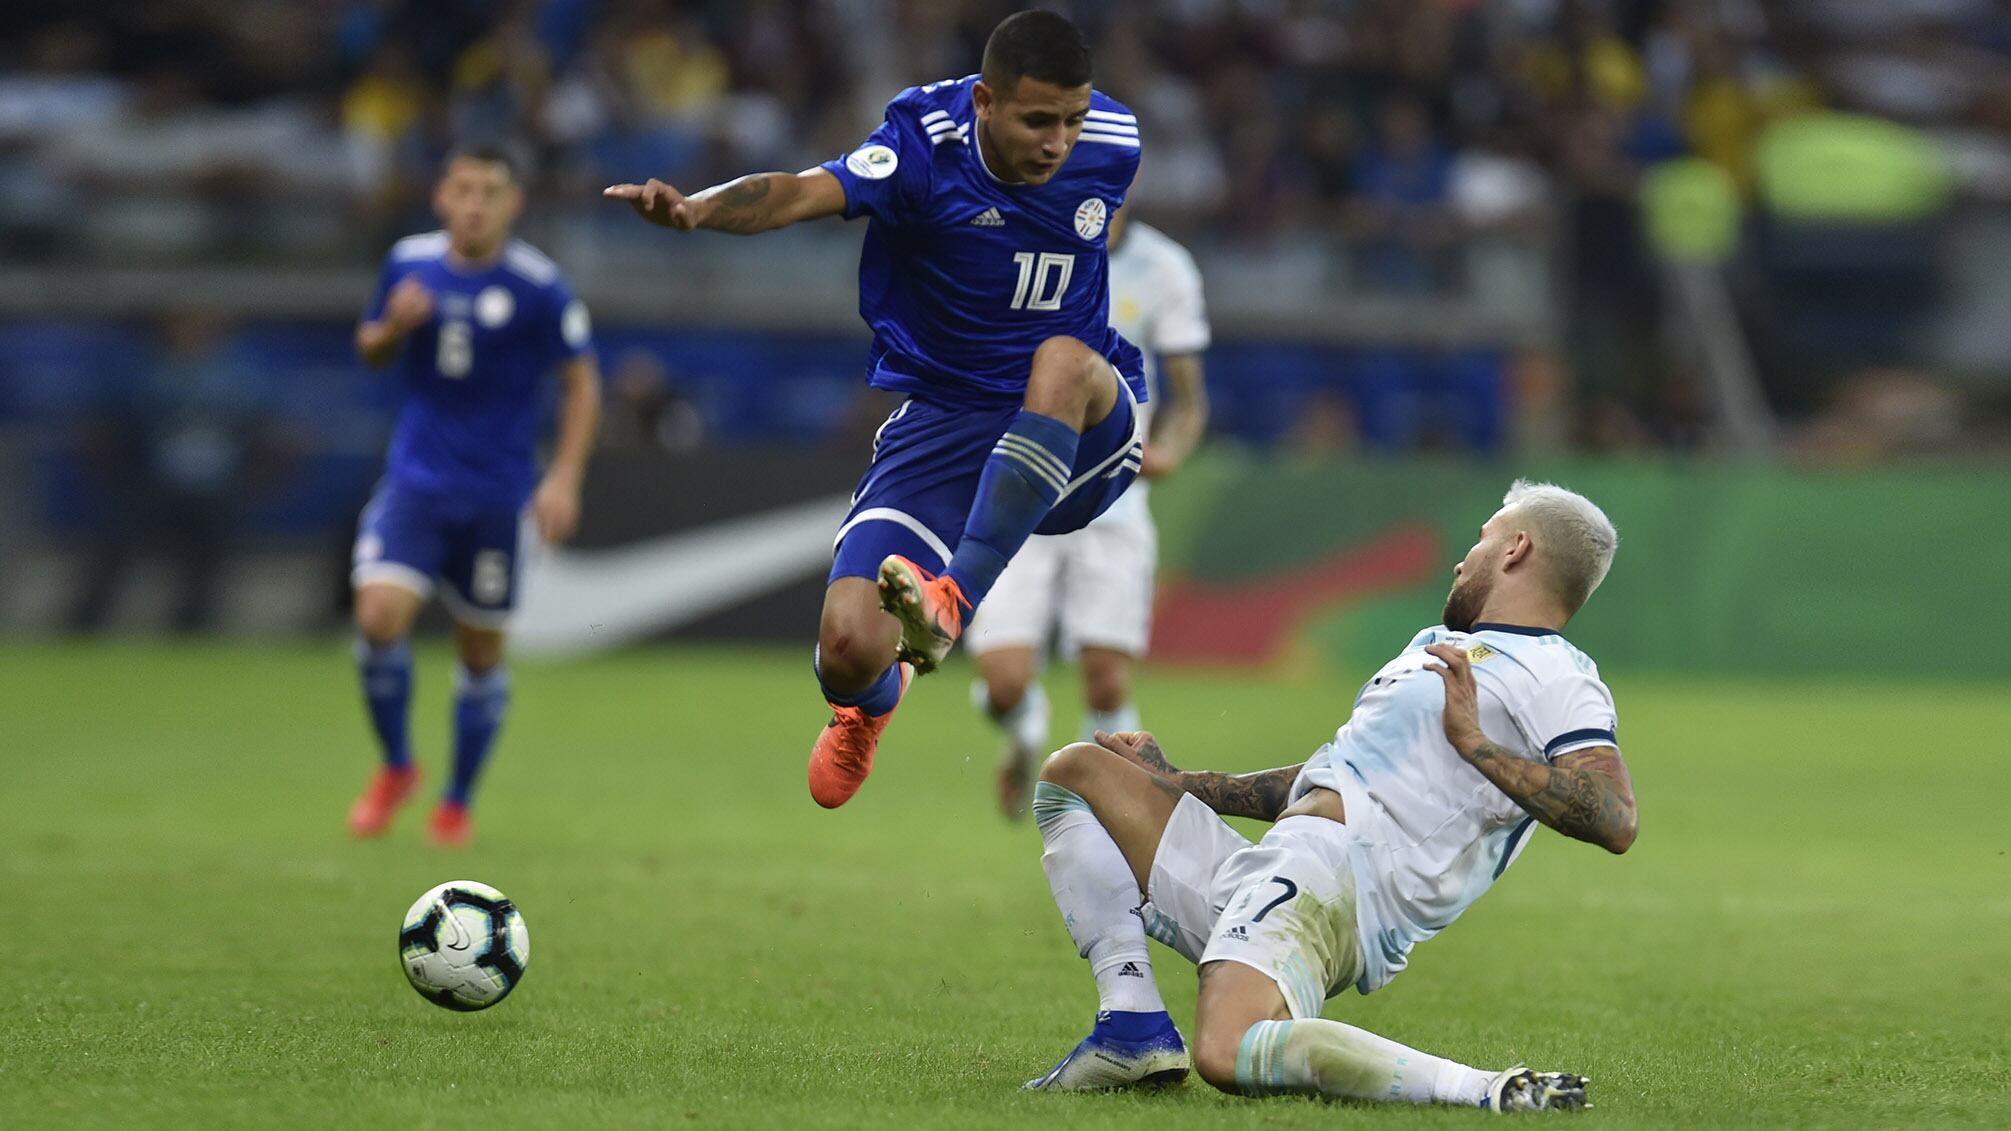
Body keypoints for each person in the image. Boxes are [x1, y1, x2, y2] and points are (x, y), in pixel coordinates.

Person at [605, 11, 1147, 809]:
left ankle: (950, 600)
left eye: (1071, 119)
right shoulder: (924, 142)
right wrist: (696, 210)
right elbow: (800, 191)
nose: (1058, 142)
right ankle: (869, 705)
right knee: (848, 644)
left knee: (1061, 358)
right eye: (1038, 121)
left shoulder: (1115, 137)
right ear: (985, 101)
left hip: (1083, 429)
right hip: (948, 419)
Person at [1024, 480, 1634, 1114]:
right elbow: (1331, 778)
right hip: (1275, 866)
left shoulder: (1558, 673)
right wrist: (1179, 782)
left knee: (1226, 1051)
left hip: (1339, 878)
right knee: (1077, 774)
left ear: (1516, 548)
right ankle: (1131, 1021)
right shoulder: (1435, 645)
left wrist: (1475, 743)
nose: (1463, 559)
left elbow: (1615, 816)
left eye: (1481, 539)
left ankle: (1488, 1088)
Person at [346, 145, 602, 846]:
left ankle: (456, 800)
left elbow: (581, 381)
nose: (474, 205)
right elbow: (369, 348)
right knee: (377, 618)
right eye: (462, 190)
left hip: (495, 494)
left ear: (513, 203)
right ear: (441, 197)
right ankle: (398, 765)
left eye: (489, 192)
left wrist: (564, 477)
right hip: (416, 483)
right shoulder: (408, 262)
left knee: (480, 652)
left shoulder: (538, 286)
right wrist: (393, 328)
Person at [965, 203, 1211, 818]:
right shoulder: (1026, 247)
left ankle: (1099, 815)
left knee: (1106, 680)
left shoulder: (1164, 267)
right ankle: (1025, 724)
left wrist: (1170, 451)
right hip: (1024, 496)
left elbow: (1188, 398)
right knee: (1003, 684)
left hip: (1113, 505)